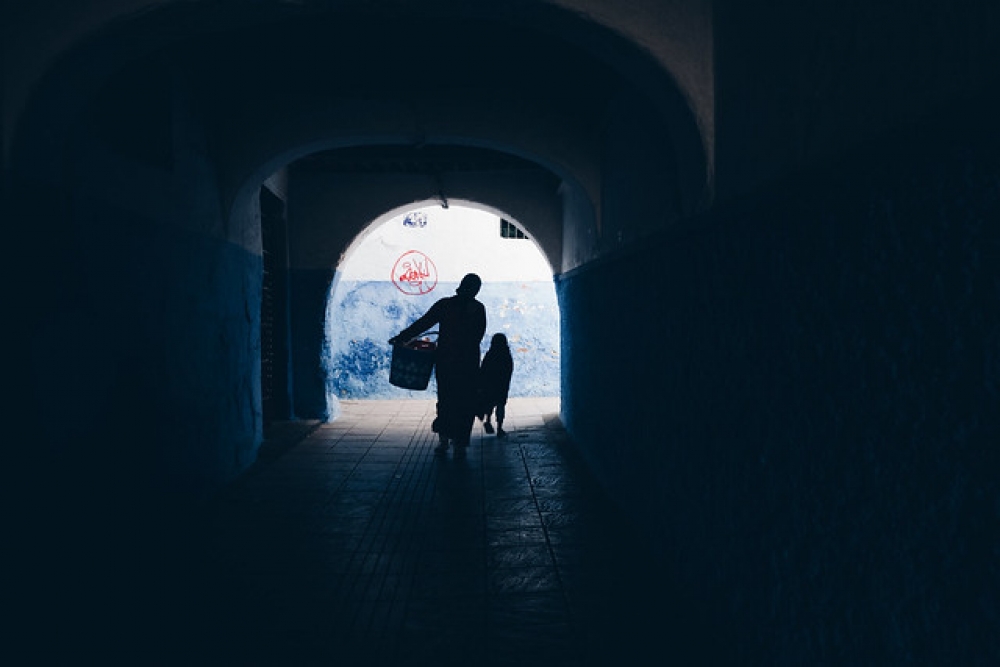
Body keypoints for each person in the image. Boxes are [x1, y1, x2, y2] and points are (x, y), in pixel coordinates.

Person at [389, 273, 486, 454]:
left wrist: (402, 337)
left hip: (446, 363)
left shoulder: (445, 305)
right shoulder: (478, 308)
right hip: (468, 365)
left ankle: (444, 441)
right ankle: (460, 444)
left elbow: (423, 323)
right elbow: (477, 337)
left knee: (446, 400)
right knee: (464, 403)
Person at [478, 332, 514, 438]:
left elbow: (483, 369)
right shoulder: (506, 355)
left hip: (489, 385)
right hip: (501, 386)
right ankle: (499, 428)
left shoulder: (490, 354)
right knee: (500, 405)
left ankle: (488, 421)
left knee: (489, 404)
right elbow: (509, 370)